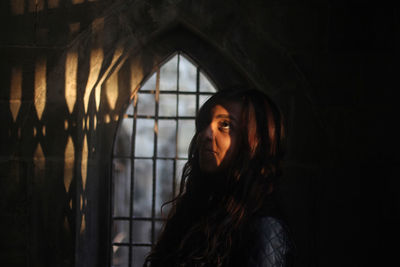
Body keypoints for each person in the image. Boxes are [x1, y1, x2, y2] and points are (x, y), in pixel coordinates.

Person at [144, 88, 293, 267]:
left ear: (255, 143)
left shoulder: (264, 227)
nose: (206, 134)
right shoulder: (201, 206)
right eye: (206, 123)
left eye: (225, 125)